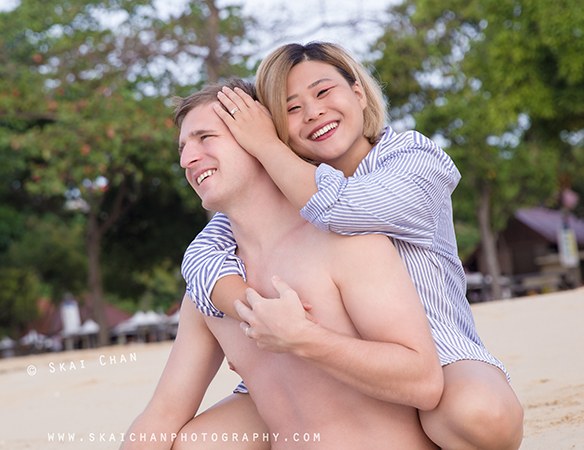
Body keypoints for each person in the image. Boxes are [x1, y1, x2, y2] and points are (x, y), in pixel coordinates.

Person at [181, 42, 523, 449]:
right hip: (312, 364)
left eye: (324, 92)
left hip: (433, 352)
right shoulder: (285, 187)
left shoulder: (414, 158)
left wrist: (267, 148)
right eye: (291, 109)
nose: (313, 113)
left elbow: (343, 208)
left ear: (358, 93)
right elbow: (201, 254)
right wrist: (259, 311)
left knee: (480, 414)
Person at [121, 80, 443, 450]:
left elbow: (424, 384)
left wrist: (306, 339)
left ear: (258, 136)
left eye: (206, 138)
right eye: (183, 148)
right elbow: (163, 413)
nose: (186, 160)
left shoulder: (347, 242)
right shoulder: (211, 286)